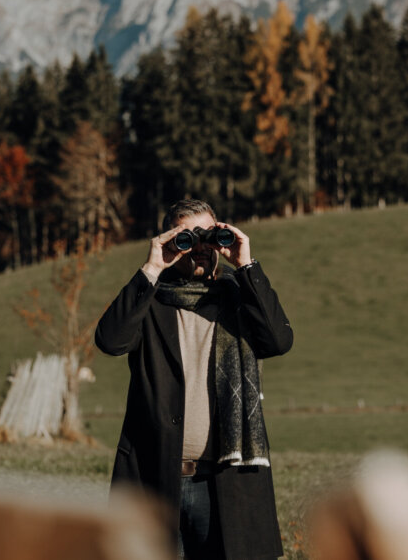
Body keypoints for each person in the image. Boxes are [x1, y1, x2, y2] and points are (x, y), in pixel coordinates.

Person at [96, 199, 293, 559]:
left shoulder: (238, 298)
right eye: (188, 238)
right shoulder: (151, 301)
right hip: (154, 477)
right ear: (172, 241)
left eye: (208, 236)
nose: (200, 248)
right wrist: (152, 267)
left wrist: (245, 263)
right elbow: (110, 341)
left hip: (222, 482)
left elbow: (278, 341)